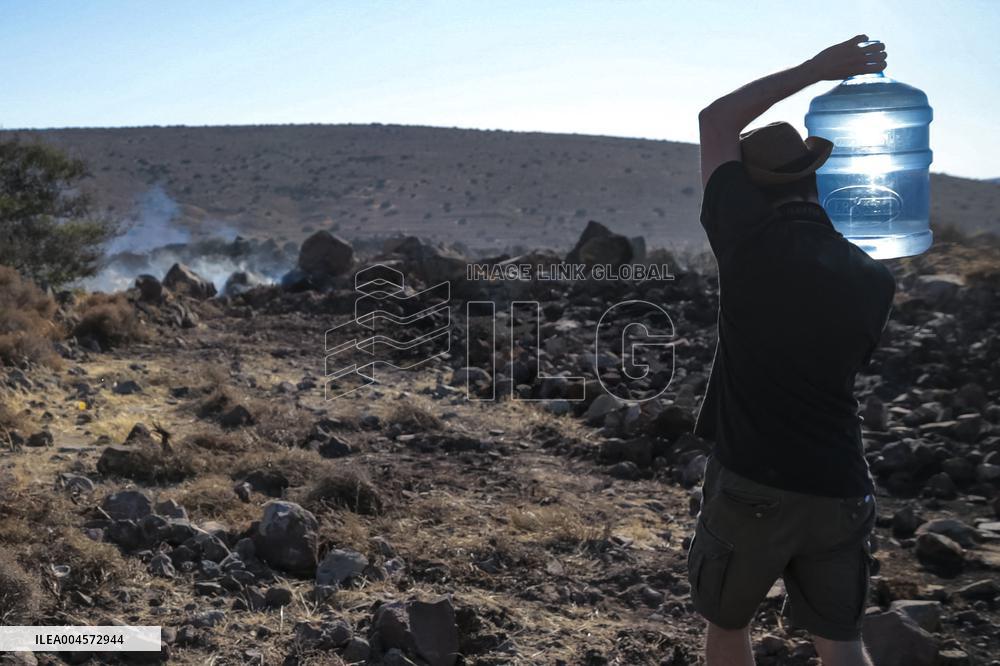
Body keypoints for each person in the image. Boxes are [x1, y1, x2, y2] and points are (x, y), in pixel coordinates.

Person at [689, 36, 897, 666]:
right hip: (842, 485)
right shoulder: (871, 275)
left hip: (756, 478)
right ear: (811, 179)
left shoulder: (747, 241)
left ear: (750, 188)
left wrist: (817, 70)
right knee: (841, 642)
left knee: (727, 626)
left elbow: (715, 120)